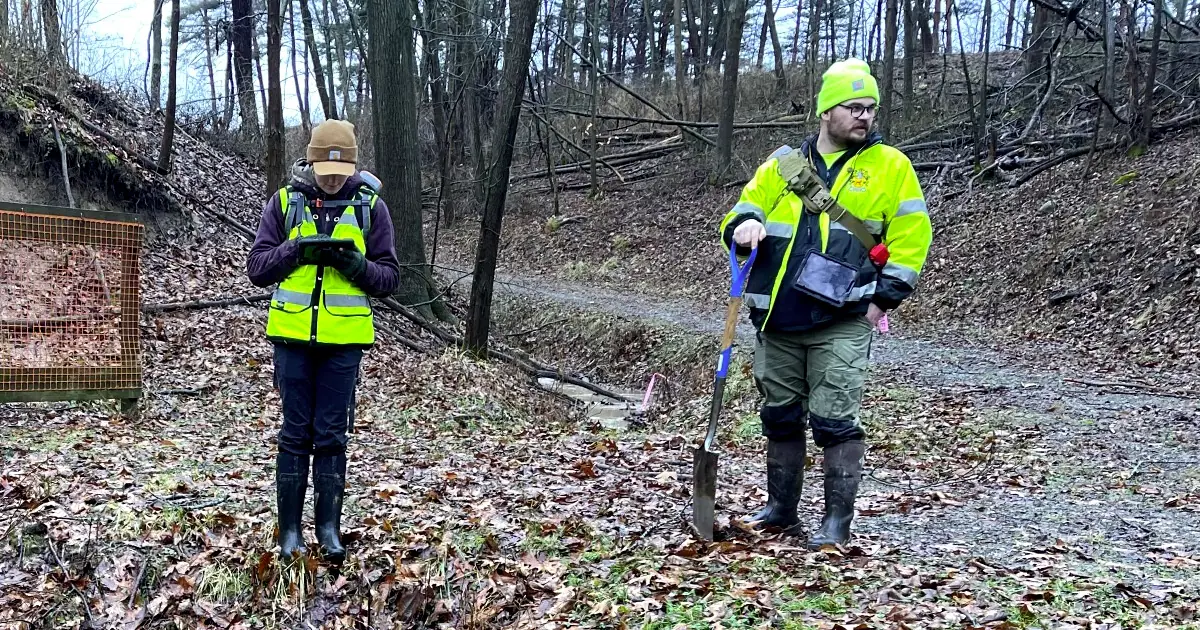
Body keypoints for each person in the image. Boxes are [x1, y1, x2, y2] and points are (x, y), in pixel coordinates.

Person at [719, 59, 933, 549]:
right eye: (853, 107)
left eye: (870, 108)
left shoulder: (890, 167)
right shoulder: (782, 166)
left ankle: (836, 523)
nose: (864, 116)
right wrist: (744, 224)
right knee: (780, 415)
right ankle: (781, 510)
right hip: (777, 317)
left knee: (835, 420)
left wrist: (885, 300)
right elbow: (740, 212)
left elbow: (912, 239)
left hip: (844, 318)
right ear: (825, 111)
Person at [246, 119, 400, 563]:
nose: (332, 179)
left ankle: (328, 529)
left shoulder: (372, 207)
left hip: (344, 344)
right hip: (292, 339)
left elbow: (390, 277)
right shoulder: (284, 203)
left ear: (353, 165)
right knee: (295, 433)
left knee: (331, 436)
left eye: (341, 171)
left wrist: (357, 266)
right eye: (324, 170)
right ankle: (290, 532)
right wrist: (296, 250)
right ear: (310, 160)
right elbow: (257, 268)